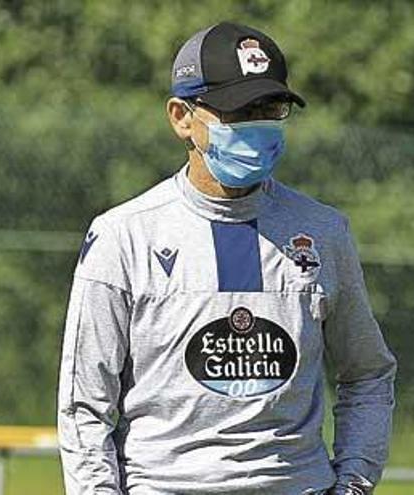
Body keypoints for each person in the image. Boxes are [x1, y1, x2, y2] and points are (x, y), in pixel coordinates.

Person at [57, 21, 396, 495]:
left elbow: (368, 375)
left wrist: (354, 483)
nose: (256, 124)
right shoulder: (123, 235)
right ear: (181, 117)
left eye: (270, 107)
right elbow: (84, 405)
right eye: (237, 110)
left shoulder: (323, 231)